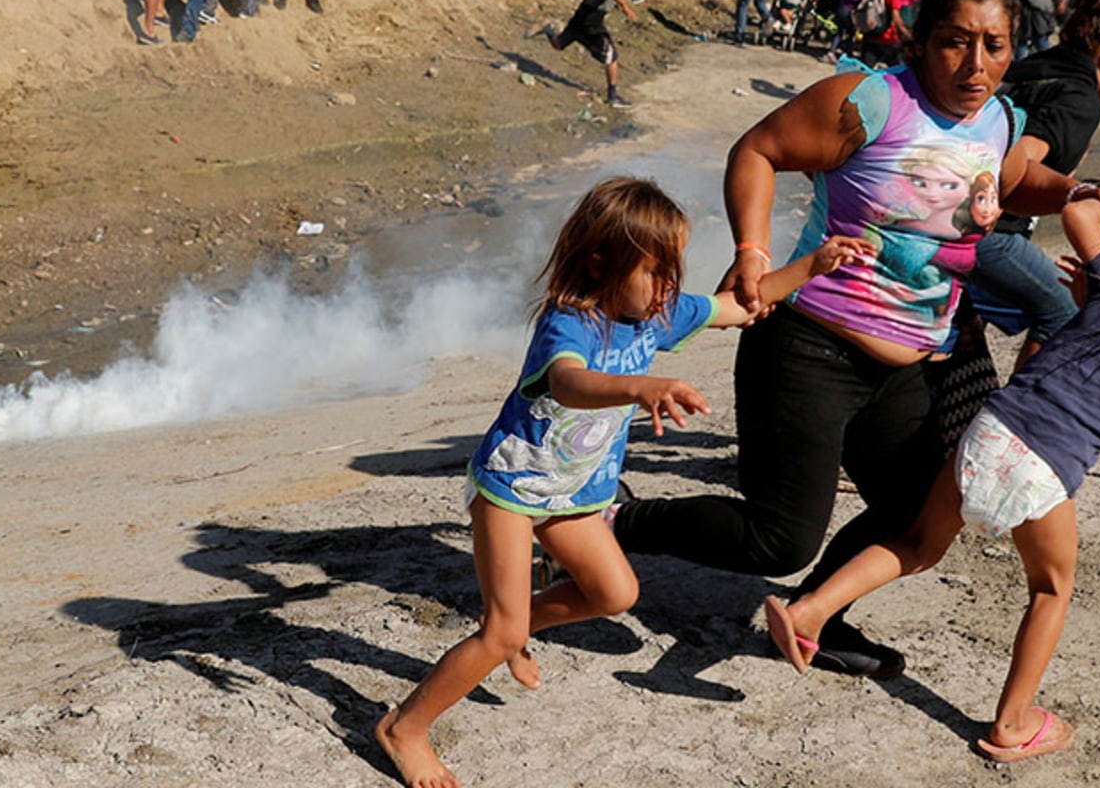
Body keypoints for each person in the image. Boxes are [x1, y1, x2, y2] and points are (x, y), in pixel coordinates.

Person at [610, 0, 1100, 680]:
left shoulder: (999, 118)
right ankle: (615, 522)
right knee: (777, 539)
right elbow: (758, 151)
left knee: (921, 513)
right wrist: (753, 252)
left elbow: (1011, 183)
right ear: (919, 40)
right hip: (807, 346)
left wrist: (1080, 188)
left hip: (911, 362)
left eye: (995, 45)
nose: (975, 64)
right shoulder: (871, 102)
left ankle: (818, 616)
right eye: (956, 41)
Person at [373, 176, 873, 788]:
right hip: (513, 489)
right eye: (654, 272)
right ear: (600, 262)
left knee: (614, 594)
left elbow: (741, 305)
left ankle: (515, 628)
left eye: (674, 272)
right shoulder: (571, 323)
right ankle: (406, 727)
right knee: (500, 632)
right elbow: (567, 384)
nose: (669, 288)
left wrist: (814, 265)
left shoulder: (656, 315)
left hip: (575, 494)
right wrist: (643, 388)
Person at [764, 209, 1100, 764]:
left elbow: (1078, 214)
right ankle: (1013, 723)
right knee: (1050, 591)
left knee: (918, 546)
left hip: (991, 430)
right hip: (1045, 469)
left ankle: (810, 611)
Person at [967, 0, 1100, 359]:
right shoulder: (1081, 100)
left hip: (942, 206)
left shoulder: (1033, 67)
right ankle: (1024, 415)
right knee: (1065, 312)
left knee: (970, 322)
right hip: (986, 229)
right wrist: (1082, 193)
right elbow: (1018, 157)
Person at [541, 0, 641, 107]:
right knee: (612, 57)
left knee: (558, 45)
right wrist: (625, 7)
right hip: (593, 23)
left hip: (580, 15)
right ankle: (613, 97)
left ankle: (550, 31)